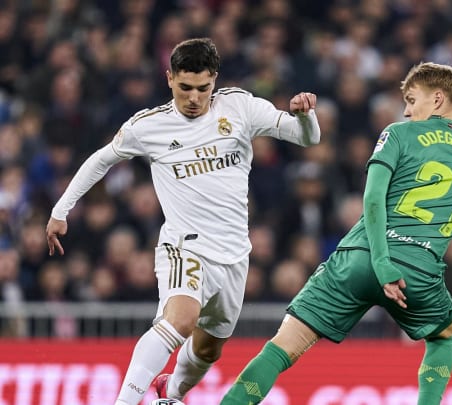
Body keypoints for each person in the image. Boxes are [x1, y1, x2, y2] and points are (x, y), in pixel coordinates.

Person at [220, 62, 452, 405]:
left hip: (361, 258)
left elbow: (373, 196)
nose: (407, 110)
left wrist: (381, 261)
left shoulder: (398, 133)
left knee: (283, 346)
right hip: (418, 273)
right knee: (443, 338)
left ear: (438, 99)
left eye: (412, 99)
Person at [45, 38, 321, 405]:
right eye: (185, 87)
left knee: (208, 351)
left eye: (203, 88)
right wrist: (60, 211)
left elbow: (307, 137)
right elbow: (101, 160)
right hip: (184, 245)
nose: (194, 97)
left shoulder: (239, 107)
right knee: (180, 319)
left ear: (215, 81)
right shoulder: (150, 126)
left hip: (235, 254)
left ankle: (169, 393)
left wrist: (305, 114)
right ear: (169, 78)